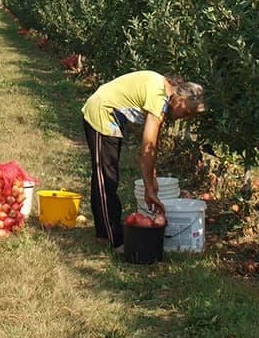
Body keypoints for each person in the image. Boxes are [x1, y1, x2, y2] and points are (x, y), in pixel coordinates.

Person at [82, 71, 206, 252]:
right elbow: (147, 148)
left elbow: (152, 147)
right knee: (106, 178)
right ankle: (114, 239)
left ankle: (105, 233)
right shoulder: (159, 98)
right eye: (187, 112)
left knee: (106, 176)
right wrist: (149, 188)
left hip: (111, 117)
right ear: (181, 99)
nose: (184, 117)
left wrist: (152, 177)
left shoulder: (163, 92)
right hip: (102, 112)